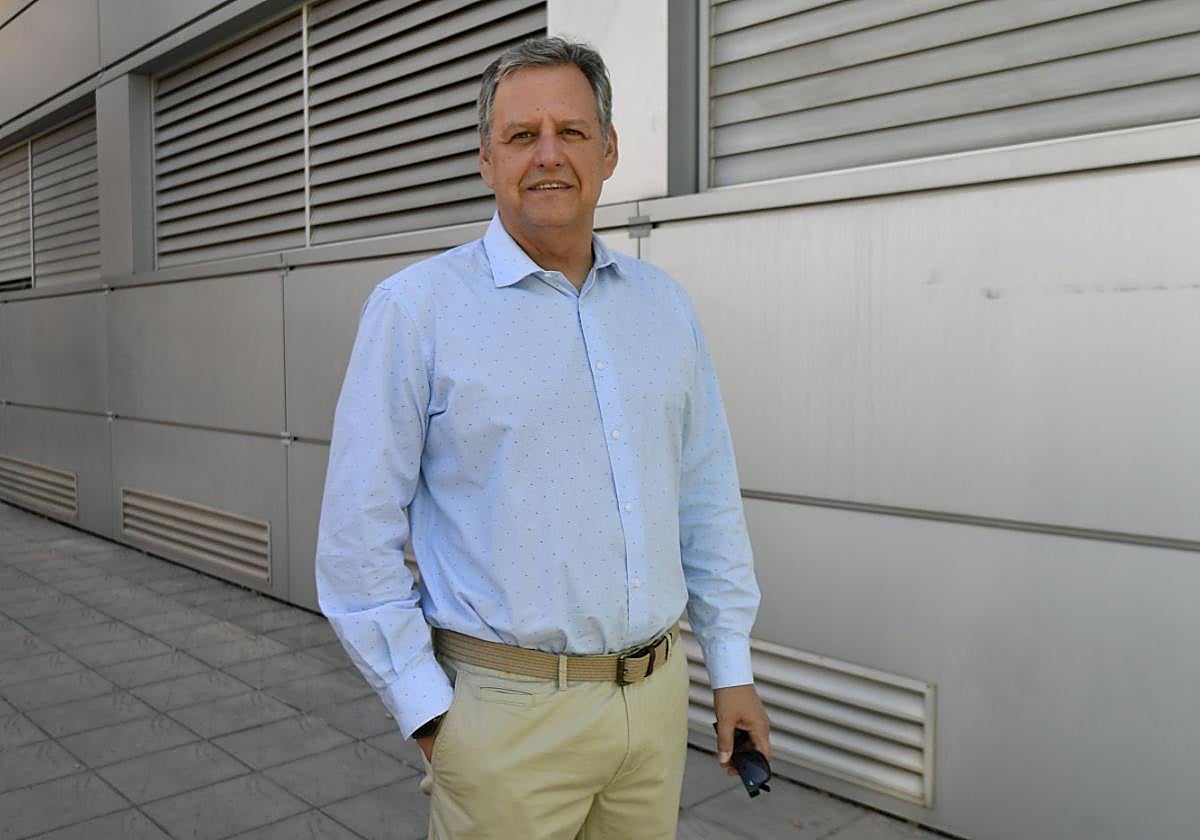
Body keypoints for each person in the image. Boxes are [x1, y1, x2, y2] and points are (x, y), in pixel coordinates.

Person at [316, 36, 770, 839]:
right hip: (505, 721)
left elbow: (705, 499)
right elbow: (357, 545)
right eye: (522, 136)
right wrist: (431, 716)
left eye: (572, 131)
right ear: (487, 159)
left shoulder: (663, 307)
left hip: (655, 707)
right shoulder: (415, 311)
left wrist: (730, 669)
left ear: (610, 150)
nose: (549, 155)